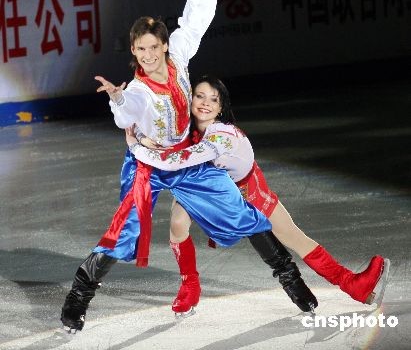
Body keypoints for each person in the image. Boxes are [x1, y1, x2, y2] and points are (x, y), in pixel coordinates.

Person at [61, 0, 317, 333]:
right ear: (133, 51)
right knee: (126, 231)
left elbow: (196, 14)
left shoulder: (178, 56)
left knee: (239, 210)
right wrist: (118, 98)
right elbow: (127, 114)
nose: (148, 55)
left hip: (186, 157)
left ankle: (291, 280)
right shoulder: (138, 90)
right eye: (140, 49)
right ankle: (79, 295)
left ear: (164, 45)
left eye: (153, 47)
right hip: (147, 163)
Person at [126, 75, 391, 313]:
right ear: (190, 99)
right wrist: (138, 129)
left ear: (221, 107)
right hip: (206, 189)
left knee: (294, 238)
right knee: (177, 222)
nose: (205, 103)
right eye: (200, 96)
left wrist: (135, 146)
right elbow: (153, 126)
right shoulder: (183, 127)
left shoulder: (221, 136)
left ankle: (353, 284)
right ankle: (189, 285)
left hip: (248, 191)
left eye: (214, 99)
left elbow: (176, 160)